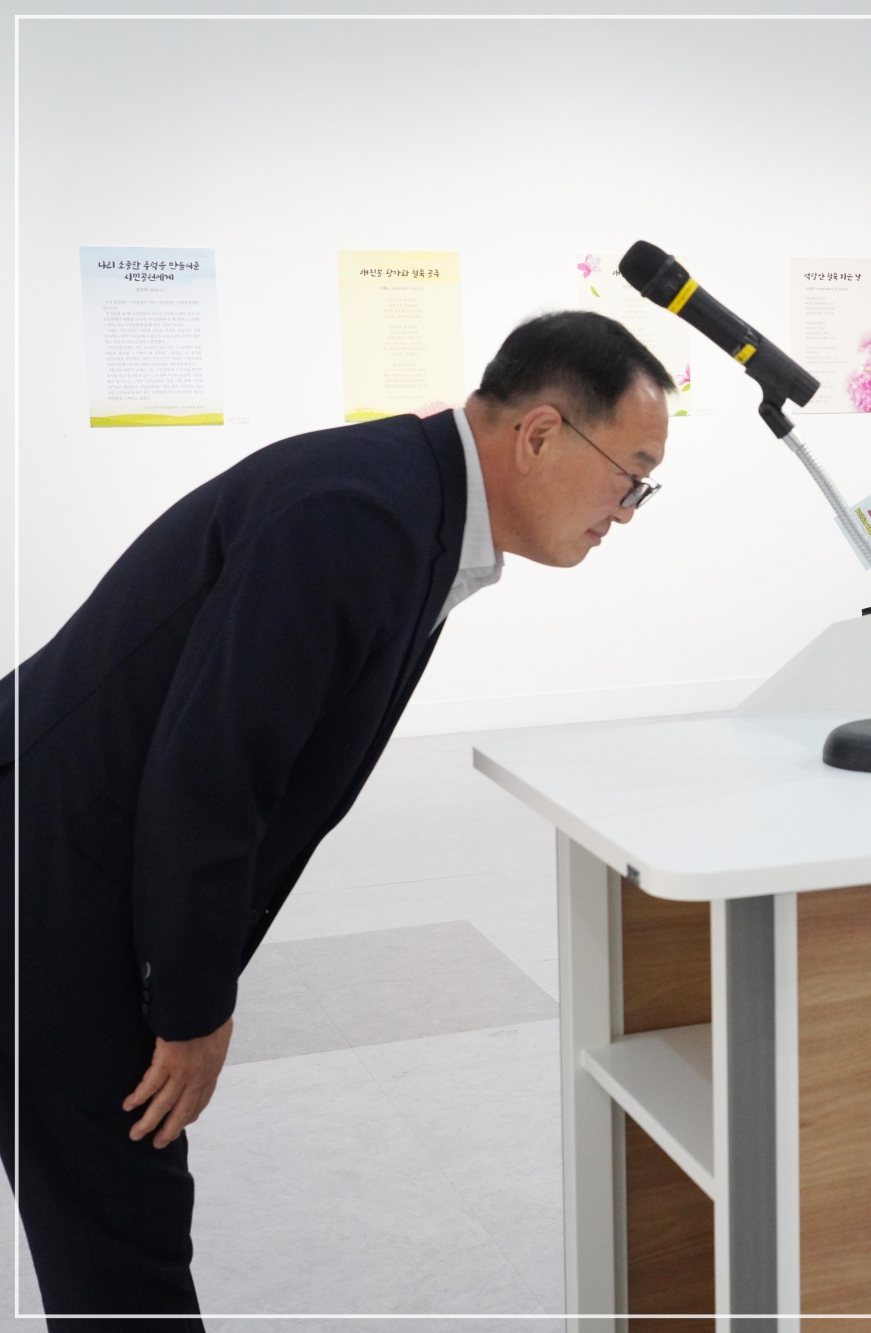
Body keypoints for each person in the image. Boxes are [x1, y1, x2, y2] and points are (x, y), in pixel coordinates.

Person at [2, 311, 674, 1317]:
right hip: (52, 873)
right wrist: (190, 1009)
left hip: (62, 843)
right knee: (120, 1239)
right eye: (632, 473)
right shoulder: (361, 515)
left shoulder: (407, 497)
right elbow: (214, 775)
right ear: (538, 435)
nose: (627, 510)